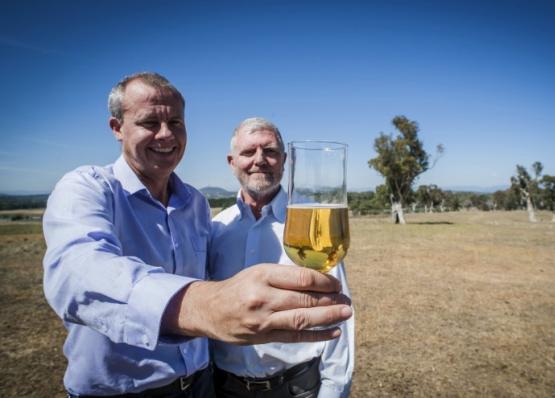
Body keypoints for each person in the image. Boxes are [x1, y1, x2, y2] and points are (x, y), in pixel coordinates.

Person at [42, 73, 352, 397]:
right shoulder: (88, 188)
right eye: (150, 122)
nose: (166, 134)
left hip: (202, 386)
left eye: (176, 122)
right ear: (117, 128)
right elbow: (75, 271)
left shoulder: (197, 205)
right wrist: (203, 306)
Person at [208, 117, 354, 398]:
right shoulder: (216, 229)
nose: (260, 160)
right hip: (224, 388)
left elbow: (339, 312)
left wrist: (334, 391)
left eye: (270, 151)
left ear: (285, 160)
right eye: (249, 152)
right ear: (231, 161)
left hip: (297, 388)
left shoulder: (309, 225)